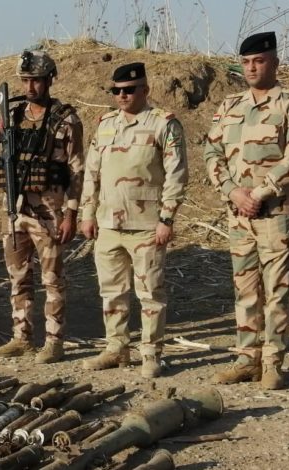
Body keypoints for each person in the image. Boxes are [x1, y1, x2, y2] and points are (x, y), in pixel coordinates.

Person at [204, 32, 289, 390]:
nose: (252, 68)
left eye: (259, 61)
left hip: (276, 213)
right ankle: (246, 359)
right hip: (239, 214)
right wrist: (233, 192)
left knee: (276, 289)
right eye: (246, 62)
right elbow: (212, 152)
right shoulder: (230, 105)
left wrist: (259, 193)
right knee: (245, 288)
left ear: (274, 63)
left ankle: (272, 363)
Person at [0, 49, 84, 364]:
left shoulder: (66, 119)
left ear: (49, 80)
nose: (30, 87)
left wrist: (71, 214)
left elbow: (76, 170)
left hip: (49, 213)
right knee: (18, 277)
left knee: (52, 280)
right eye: (25, 80)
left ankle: (54, 341)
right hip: (15, 211)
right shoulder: (13, 117)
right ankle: (22, 338)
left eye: (36, 80)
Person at [80, 62, 188, 378]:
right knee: (111, 291)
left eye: (128, 90)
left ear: (145, 90)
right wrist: (87, 213)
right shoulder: (105, 124)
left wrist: (167, 218)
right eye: (116, 91)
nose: (122, 96)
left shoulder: (163, 124)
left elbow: (177, 175)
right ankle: (116, 348)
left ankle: (151, 353)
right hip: (108, 225)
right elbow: (92, 172)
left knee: (150, 294)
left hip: (146, 225)